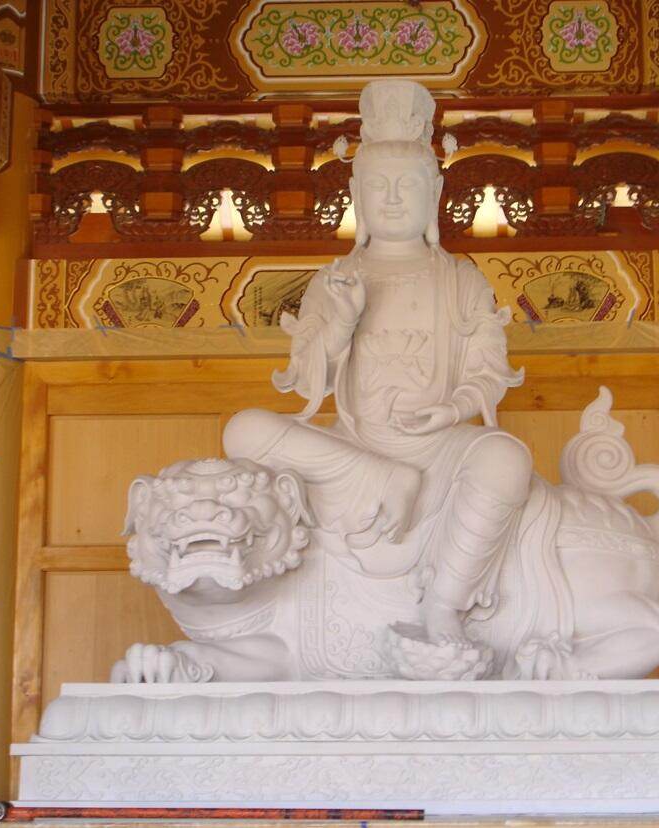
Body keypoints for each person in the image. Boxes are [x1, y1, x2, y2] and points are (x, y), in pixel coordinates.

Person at [223, 80, 532, 648]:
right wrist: (341, 323)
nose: (391, 198)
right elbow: (309, 379)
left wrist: (453, 410)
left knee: (506, 458)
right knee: (243, 429)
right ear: (356, 194)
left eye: (407, 184)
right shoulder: (336, 279)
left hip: (438, 450)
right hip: (355, 454)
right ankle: (390, 479)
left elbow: (488, 372)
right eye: (377, 185)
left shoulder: (460, 279)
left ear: (434, 192)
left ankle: (443, 604)